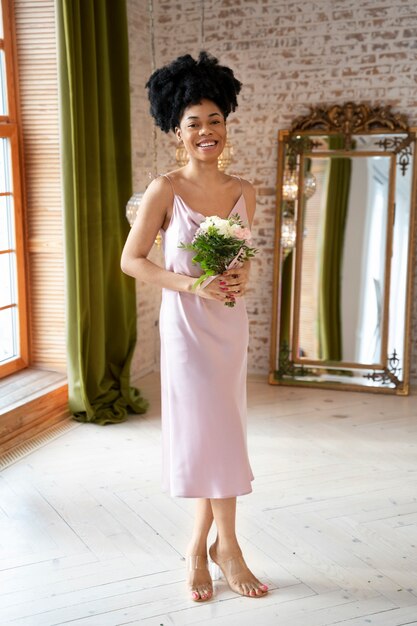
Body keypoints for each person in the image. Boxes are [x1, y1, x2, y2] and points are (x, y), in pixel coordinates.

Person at [121, 51, 268, 602]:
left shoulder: (244, 191)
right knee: (206, 433)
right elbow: (132, 260)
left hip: (229, 325)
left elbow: (245, 257)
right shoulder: (163, 190)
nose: (206, 131)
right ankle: (220, 546)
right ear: (175, 131)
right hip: (186, 325)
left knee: (223, 432)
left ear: (226, 123)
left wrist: (241, 277)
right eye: (193, 123)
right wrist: (194, 286)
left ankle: (208, 544)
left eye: (215, 120)